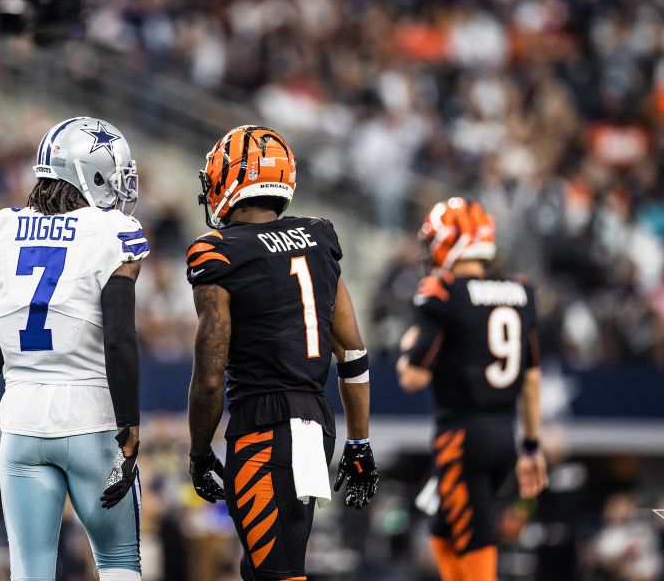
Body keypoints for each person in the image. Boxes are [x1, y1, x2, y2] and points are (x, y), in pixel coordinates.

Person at [184, 125, 378, 581]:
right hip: (316, 423)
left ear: (229, 178)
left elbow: (210, 374)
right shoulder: (318, 237)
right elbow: (352, 352)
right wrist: (360, 441)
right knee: (265, 568)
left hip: (264, 427)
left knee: (276, 573)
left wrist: (197, 452)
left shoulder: (219, 251)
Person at [0, 116, 146, 580]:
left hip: (21, 425)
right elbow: (119, 340)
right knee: (118, 562)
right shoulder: (111, 233)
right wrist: (129, 425)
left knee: (30, 571)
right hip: (92, 420)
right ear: (90, 173)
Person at [395, 198, 548, 581]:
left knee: (477, 543)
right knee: (443, 529)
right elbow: (530, 379)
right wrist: (532, 446)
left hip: (463, 436)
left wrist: (407, 345)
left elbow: (413, 377)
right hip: (505, 435)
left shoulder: (444, 290)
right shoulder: (520, 290)